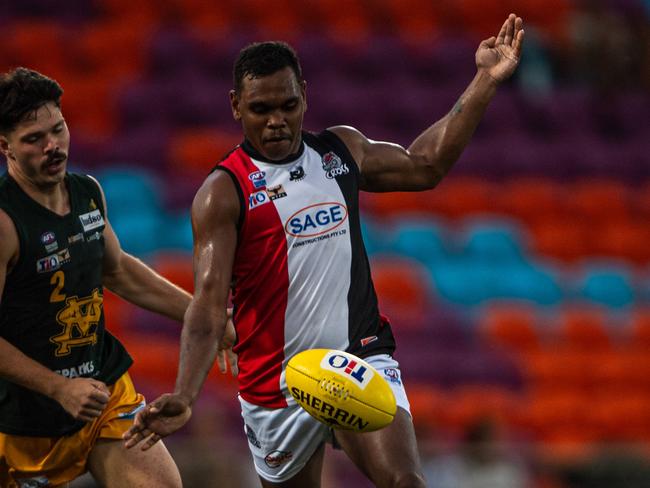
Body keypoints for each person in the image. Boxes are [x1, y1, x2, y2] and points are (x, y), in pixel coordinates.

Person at [124, 14, 525, 488]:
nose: (276, 121)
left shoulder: (341, 152)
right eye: (260, 108)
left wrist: (484, 79)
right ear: (236, 106)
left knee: (406, 482)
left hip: (358, 356)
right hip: (275, 383)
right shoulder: (223, 192)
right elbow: (209, 304)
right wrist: (185, 395)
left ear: (305, 96)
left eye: (288, 105)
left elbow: (425, 165)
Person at [0, 67, 207, 488]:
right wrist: (58, 388)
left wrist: (203, 315)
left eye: (58, 129)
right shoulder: (4, 222)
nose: (53, 146)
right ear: (6, 147)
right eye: (34, 139)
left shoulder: (87, 191)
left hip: (100, 393)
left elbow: (115, 269)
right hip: (19, 419)